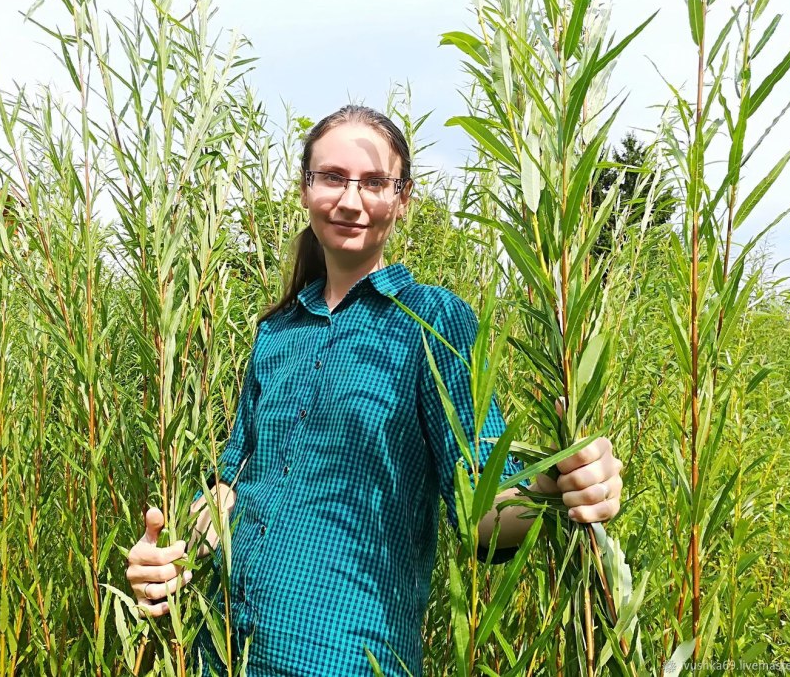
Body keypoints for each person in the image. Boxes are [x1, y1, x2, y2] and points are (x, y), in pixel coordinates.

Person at [125, 105, 623, 676]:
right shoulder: (276, 333)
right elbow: (231, 486)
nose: (351, 199)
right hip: (225, 654)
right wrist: (168, 555)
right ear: (306, 188)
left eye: (375, 183)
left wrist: (560, 484)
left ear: (403, 197)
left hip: (349, 659)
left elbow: (482, 511)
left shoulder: (433, 322)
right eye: (332, 177)